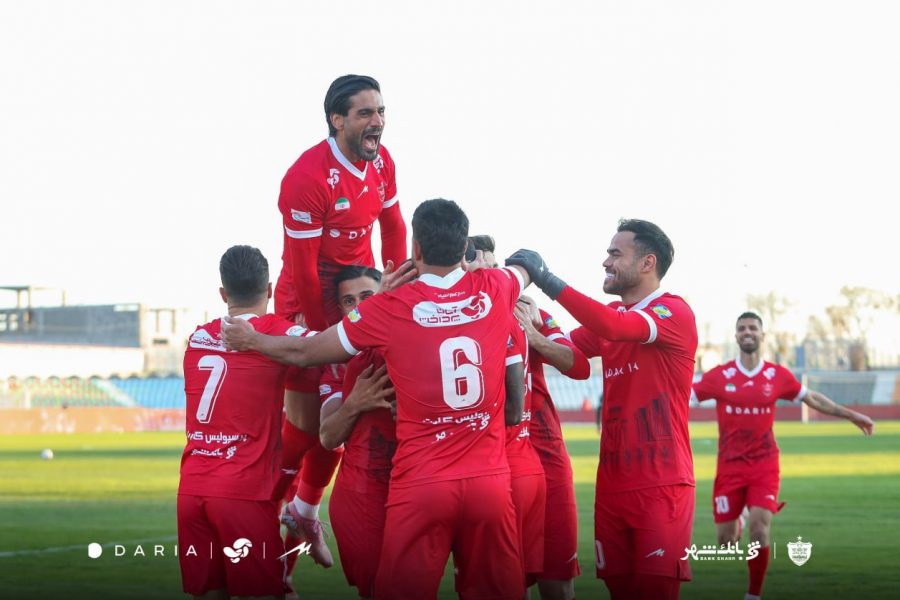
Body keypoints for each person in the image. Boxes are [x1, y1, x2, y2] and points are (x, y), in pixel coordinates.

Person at [223, 199, 533, 600]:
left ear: (416, 249)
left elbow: (305, 351)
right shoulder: (496, 286)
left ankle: (304, 509)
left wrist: (252, 340)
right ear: (464, 249)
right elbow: (527, 265)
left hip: (421, 483)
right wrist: (489, 267)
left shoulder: (387, 308)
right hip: (489, 482)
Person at [507, 218, 698, 600]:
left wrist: (546, 280)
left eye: (615, 254)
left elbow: (613, 327)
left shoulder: (672, 312)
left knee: (654, 591)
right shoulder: (613, 317)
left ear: (647, 262)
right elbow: (571, 356)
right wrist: (534, 326)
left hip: (661, 483)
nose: (606, 262)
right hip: (612, 486)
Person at [272, 73, 409, 570]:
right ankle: (267, 515)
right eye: (366, 113)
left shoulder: (383, 161)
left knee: (347, 414)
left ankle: (304, 512)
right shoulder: (307, 177)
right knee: (306, 430)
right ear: (337, 120)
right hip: (307, 304)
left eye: (381, 111)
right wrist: (326, 336)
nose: (378, 122)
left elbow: (394, 228)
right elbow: (306, 271)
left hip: (358, 296)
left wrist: (394, 294)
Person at [692, 311, 875, 600]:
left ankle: (753, 595)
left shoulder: (776, 376)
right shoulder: (719, 376)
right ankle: (740, 517)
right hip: (729, 467)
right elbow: (683, 396)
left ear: (762, 335)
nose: (748, 332)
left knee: (760, 530)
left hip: (764, 464)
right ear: (736, 336)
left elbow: (811, 397)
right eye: (742, 328)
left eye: (753, 328)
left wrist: (850, 414)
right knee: (726, 542)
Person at [177, 245, 313, 600]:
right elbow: (325, 348)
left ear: (223, 294)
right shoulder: (278, 333)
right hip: (243, 493)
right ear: (269, 290)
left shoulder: (196, 338)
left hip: (192, 490)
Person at [513, 295, 590, 600]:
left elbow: (579, 365)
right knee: (508, 585)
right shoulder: (455, 313)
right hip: (494, 463)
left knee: (557, 584)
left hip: (547, 458)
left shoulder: (526, 309)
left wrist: (534, 337)